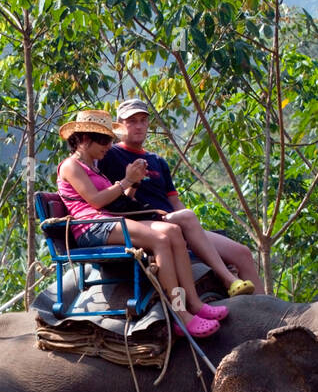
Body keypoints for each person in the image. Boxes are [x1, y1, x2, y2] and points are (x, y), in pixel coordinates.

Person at [56, 109, 227, 337]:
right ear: (85, 139)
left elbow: (119, 199)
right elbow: (95, 201)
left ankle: (193, 302)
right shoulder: (71, 166)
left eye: (109, 140)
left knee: (173, 231)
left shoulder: (95, 167)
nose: (108, 146)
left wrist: (133, 182)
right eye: (104, 140)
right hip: (91, 227)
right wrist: (125, 180)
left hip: (109, 222)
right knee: (160, 238)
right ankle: (179, 313)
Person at [100, 98, 263, 297]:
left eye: (143, 120)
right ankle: (230, 281)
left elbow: (174, 201)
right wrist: (132, 181)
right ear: (119, 125)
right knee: (185, 217)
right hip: (145, 223)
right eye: (132, 121)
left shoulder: (157, 161)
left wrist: (196, 230)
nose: (139, 126)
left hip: (176, 221)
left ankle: (269, 307)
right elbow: (113, 202)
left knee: (242, 253)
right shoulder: (110, 156)